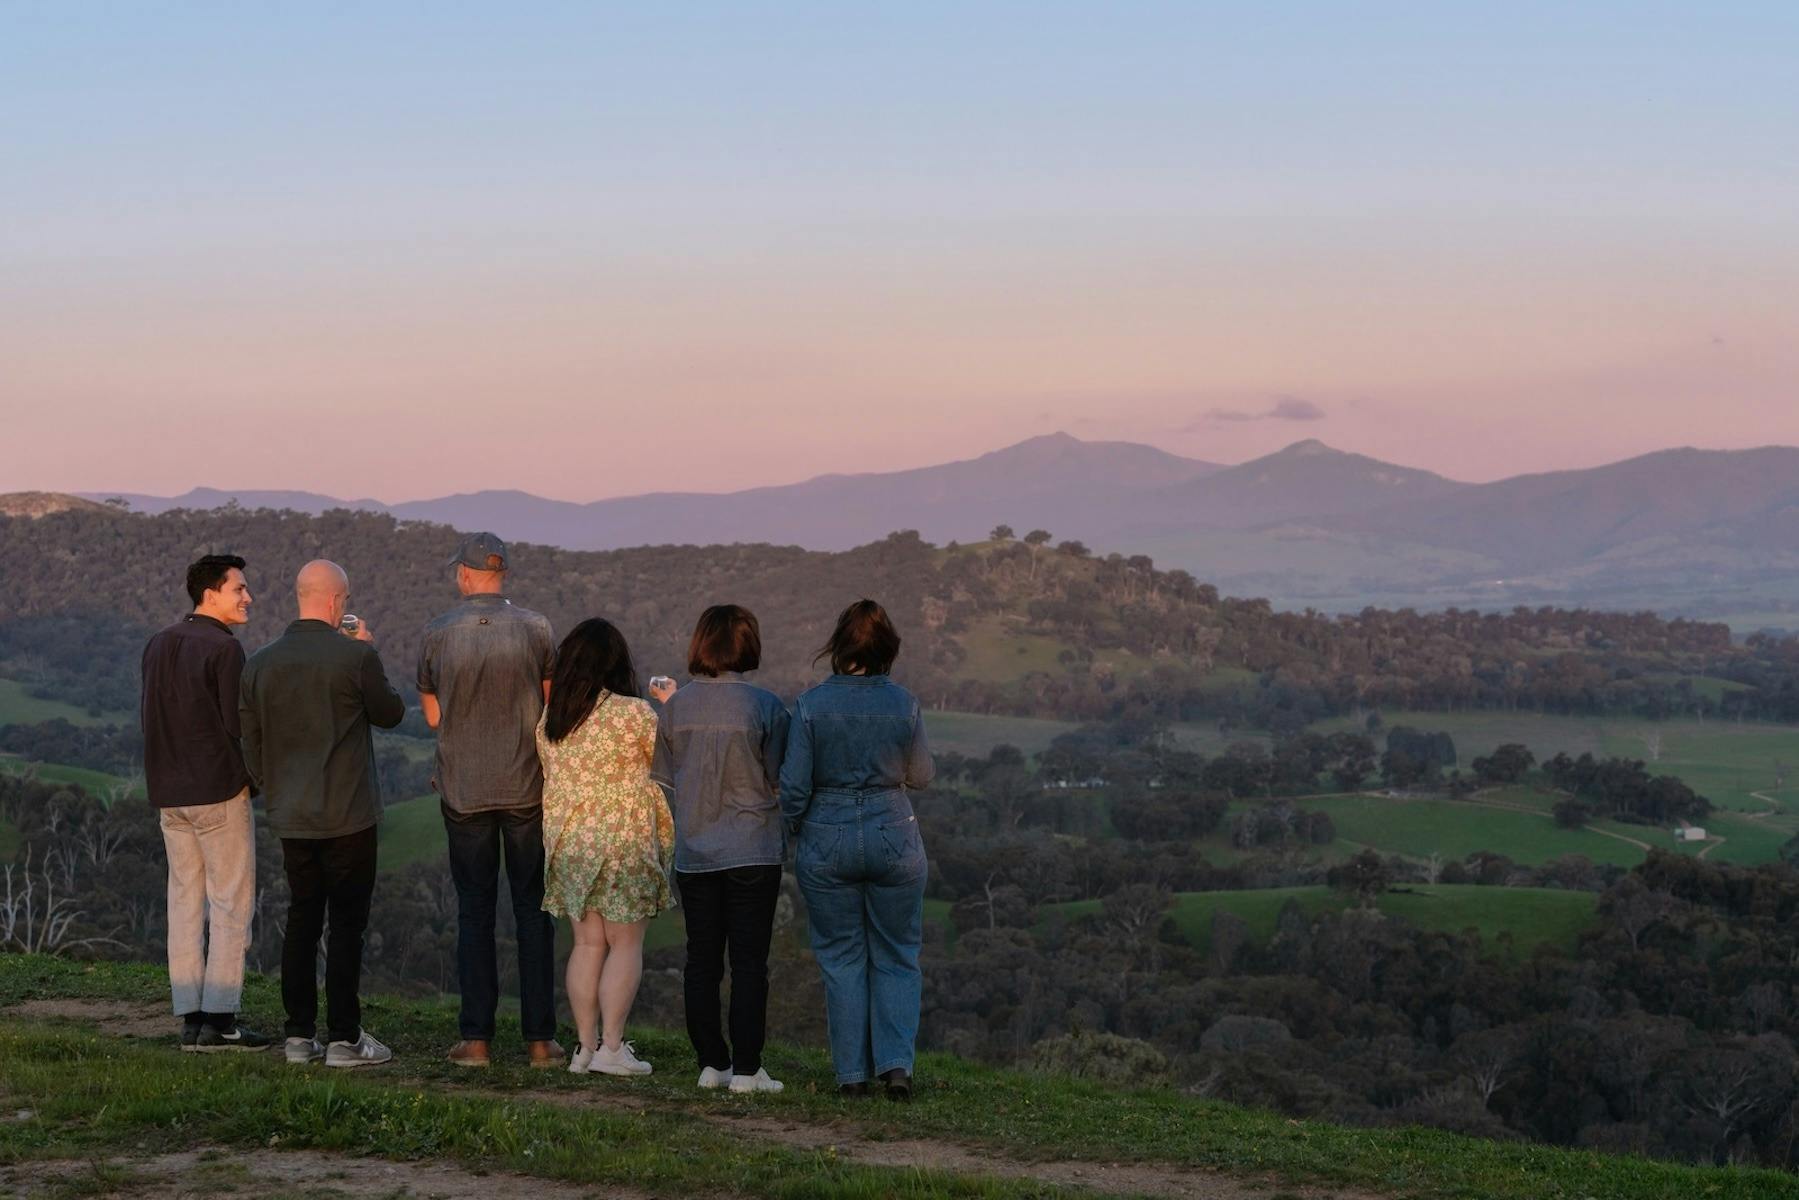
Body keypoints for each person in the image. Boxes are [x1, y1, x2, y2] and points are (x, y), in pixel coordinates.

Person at [240, 559, 405, 1068]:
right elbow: (391, 714)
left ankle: (297, 1036)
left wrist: (273, 790)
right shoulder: (354, 658)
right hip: (348, 814)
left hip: (291, 815)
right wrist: (367, 648)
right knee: (347, 926)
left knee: (302, 919)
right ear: (337, 601)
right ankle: (343, 1038)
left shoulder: (259, 663)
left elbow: (251, 743)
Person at [417, 532, 562, 1069]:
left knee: (475, 912)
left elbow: (434, 717)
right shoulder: (537, 628)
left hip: (464, 790)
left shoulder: (437, 633)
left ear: (465, 574)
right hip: (526, 788)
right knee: (532, 912)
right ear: (502, 574)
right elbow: (550, 705)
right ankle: (540, 1042)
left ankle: (475, 1041)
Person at [778, 599, 932, 1100]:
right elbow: (922, 775)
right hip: (894, 833)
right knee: (897, 952)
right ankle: (897, 1071)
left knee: (841, 957)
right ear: (888, 648)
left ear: (839, 646)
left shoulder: (810, 705)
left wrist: (798, 830)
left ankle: (851, 1077)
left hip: (828, 833)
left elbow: (794, 787)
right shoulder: (905, 703)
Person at [652, 605, 791, 1093]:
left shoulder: (674, 709)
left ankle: (712, 1062)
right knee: (750, 962)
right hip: (753, 848)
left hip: (696, 851)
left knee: (702, 961)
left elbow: (668, 779)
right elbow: (779, 781)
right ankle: (749, 1069)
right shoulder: (766, 706)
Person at [140, 553, 270, 1053]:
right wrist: (252, 782)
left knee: (184, 903)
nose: (248, 597)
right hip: (217, 790)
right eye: (239, 589)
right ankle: (221, 1020)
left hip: (169, 795)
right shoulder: (224, 649)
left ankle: (191, 1019)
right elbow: (239, 728)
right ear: (210, 594)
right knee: (231, 903)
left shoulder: (158, 643)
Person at [536, 619, 673, 1076]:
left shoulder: (551, 719)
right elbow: (669, 758)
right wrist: (669, 707)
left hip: (570, 841)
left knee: (587, 943)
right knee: (625, 943)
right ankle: (613, 1048)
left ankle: (585, 1048)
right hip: (623, 839)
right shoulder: (635, 714)